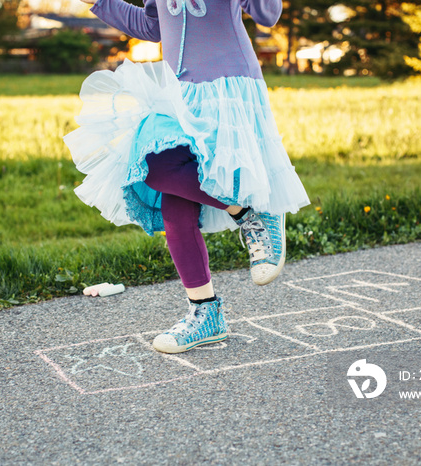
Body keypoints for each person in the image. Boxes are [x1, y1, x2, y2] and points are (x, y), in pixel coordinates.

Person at [64, 0, 310, 354]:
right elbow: (154, 25)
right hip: (179, 93)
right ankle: (208, 308)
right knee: (159, 171)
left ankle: (257, 213)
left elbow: (268, 14)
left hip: (227, 88)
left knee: (165, 177)